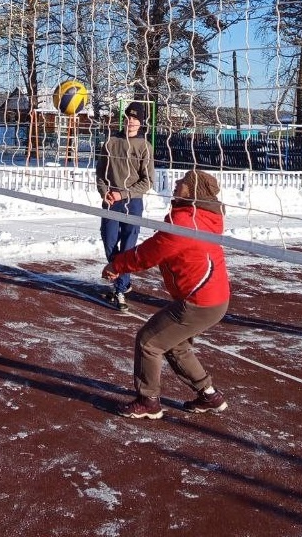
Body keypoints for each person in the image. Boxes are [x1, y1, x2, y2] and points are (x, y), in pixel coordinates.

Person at [102, 169, 230, 419]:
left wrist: (116, 265)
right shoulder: (200, 215)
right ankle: (209, 396)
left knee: (149, 341)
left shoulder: (186, 222)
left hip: (200, 301)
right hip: (211, 297)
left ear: (193, 190)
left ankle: (148, 401)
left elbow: (151, 252)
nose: (176, 183)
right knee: (174, 345)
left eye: (183, 181)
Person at [95, 101, 155, 311]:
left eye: (135, 119)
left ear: (141, 122)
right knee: (109, 240)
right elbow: (100, 174)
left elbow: (147, 182)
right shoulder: (110, 142)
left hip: (132, 202)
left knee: (128, 247)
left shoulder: (144, 147)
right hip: (111, 202)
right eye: (128, 118)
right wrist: (106, 194)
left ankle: (120, 288)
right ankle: (122, 279)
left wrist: (123, 194)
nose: (130, 122)